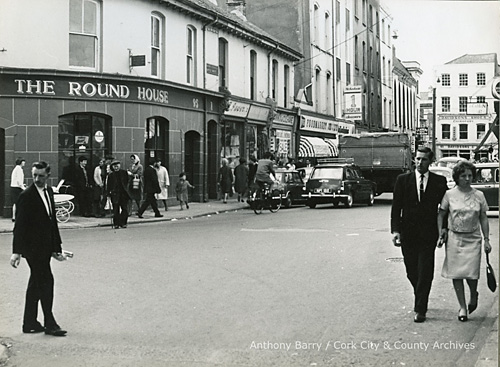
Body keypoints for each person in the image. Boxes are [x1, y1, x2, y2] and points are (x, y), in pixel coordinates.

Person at [390, 147, 448, 323]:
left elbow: (444, 209)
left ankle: (420, 308)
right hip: (408, 233)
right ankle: (420, 295)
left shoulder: (439, 181)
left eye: (424, 159)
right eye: (418, 159)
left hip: (428, 234)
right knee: (411, 271)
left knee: (425, 271)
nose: (420, 162)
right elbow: (396, 207)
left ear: (430, 161)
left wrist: (443, 230)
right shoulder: (403, 180)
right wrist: (395, 231)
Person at [10, 161, 68, 336]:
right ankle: (50, 323)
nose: (37, 179)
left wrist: (56, 248)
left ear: (48, 175)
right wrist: (16, 252)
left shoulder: (49, 192)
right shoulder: (26, 196)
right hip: (32, 249)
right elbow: (19, 226)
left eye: (41, 176)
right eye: (34, 175)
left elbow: (52, 223)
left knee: (36, 284)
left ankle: (29, 323)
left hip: (45, 247)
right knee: (46, 282)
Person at [437, 161, 491, 322]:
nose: (467, 179)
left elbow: (483, 217)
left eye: (470, 176)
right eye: (463, 176)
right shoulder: (449, 195)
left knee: (472, 273)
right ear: (457, 177)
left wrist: (487, 239)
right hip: (455, 238)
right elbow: (441, 214)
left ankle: (473, 295)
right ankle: (462, 307)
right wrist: (441, 231)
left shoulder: (479, 195)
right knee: (457, 273)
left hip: (473, 238)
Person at [106, 160, 131, 229]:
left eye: (117, 166)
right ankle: (116, 223)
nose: (116, 168)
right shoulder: (111, 175)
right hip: (115, 194)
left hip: (123, 194)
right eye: (114, 166)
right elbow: (108, 185)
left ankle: (123, 223)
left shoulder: (124, 172)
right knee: (115, 210)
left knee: (125, 209)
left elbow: (127, 182)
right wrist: (108, 194)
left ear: (119, 166)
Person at [10, 157, 26, 222]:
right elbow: (19, 181)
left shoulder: (16, 169)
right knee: (19, 203)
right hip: (17, 188)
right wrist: (24, 188)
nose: (24, 163)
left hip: (13, 187)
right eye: (23, 161)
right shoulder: (19, 169)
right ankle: (18, 216)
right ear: (21, 162)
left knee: (15, 203)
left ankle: (14, 217)